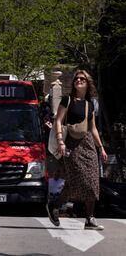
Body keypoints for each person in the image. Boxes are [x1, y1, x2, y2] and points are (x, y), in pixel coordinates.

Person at [47, 69, 108, 230]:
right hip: (70, 144)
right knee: (77, 180)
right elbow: (58, 121)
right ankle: (55, 205)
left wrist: (101, 148)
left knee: (93, 180)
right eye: (76, 79)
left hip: (88, 145)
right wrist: (60, 140)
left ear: (87, 83)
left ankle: (89, 218)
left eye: (82, 79)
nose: (78, 80)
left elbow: (93, 129)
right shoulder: (67, 100)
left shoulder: (89, 104)